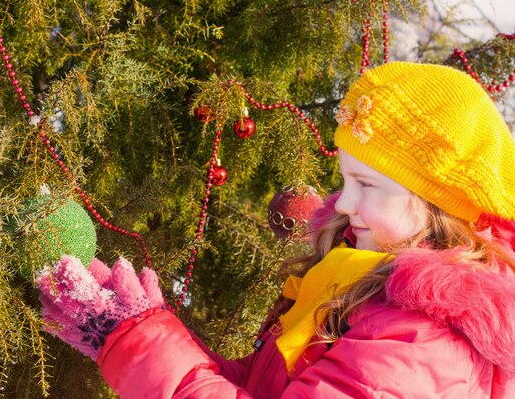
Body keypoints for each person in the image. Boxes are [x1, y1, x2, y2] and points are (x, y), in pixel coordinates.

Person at [36, 62, 515, 399]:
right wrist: (136, 332)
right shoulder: (356, 282)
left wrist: (140, 346)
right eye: (345, 180)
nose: (345, 204)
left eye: (366, 184)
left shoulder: (425, 341)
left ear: (438, 203)